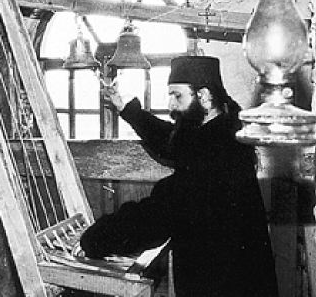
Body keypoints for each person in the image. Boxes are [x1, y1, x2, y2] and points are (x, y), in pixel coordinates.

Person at [80, 55, 278, 297]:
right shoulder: (221, 129)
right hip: (236, 275)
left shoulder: (217, 154)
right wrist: (127, 109)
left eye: (177, 96)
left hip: (225, 284)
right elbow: (170, 137)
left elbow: (158, 214)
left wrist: (95, 239)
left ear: (204, 96)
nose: (171, 105)